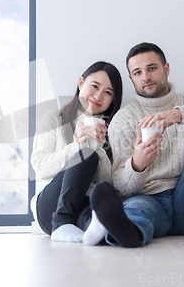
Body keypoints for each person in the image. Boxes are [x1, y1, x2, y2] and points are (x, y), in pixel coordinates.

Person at [86, 42, 184, 247]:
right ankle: (129, 232)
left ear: (166, 68)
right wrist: (137, 164)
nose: (145, 77)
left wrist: (179, 114)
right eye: (137, 72)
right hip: (149, 200)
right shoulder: (123, 119)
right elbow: (121, 186)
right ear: (131, 78)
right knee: (134, 209)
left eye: (151, 68)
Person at [30, 61, 123, 243]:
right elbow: (40, 168)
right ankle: (62, 222)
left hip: (83, 206)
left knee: (98, 226)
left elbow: (107, 185)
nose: (98, 96)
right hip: (50, 207)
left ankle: (107, 230)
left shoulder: (112, 130)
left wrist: (101, 148)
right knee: (85, 155)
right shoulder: (54, 119)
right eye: (94, 86)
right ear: (81, 83)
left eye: (108, 93)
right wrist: (76, 146)